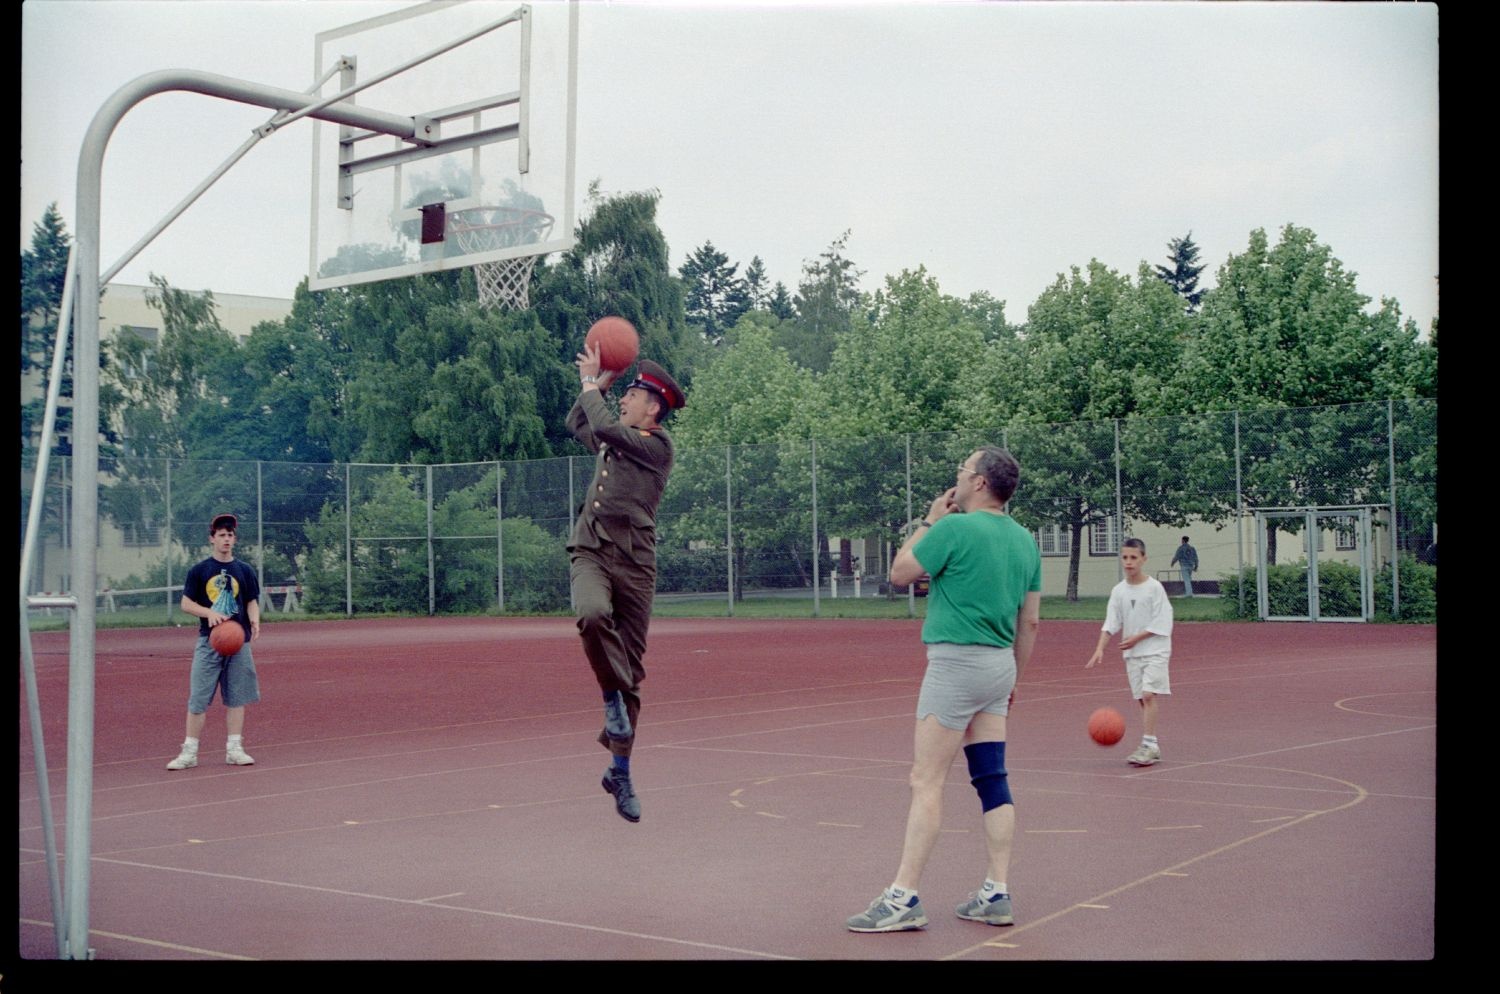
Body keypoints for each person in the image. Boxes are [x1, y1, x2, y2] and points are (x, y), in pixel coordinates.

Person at [846, 447, 1042, 933]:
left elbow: (899, 574)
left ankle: (902, 898)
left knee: (926, 780)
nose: (954, 478)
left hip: (956, 665)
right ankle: (997, 891)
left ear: (978, 483)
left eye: (960, 470)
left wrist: (930, 521)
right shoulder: (1025, 541)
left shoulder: (954, 528)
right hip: (999, 665)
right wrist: (1013, 676)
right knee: (992, 778)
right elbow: (1031, 620)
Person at [567, 342, 685, 823]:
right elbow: (580, 425)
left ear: (652, 407)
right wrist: (598, 387)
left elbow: (603, 426)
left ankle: (620, 769)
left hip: (636, 566)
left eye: (631, 395)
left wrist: (591, 385)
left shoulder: (657, 446)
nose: (623, 401)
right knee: (592, 616)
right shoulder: (614, 433)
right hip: (591, 550)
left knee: (631, 672)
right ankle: (609, 698)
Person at [166, 513, 262, 770]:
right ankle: (189, 752)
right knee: (198, 698)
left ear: (235, 539)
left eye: (230, 535)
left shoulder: (244, 570)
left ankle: (234, 749)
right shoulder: (199, 570)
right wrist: (209, 613)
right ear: (212, 539)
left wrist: (254, 620)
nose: (226, 539)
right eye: (221, 535)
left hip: (238, 642)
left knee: (237, 697)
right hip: (210, 642)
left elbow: (252, 600)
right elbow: (186, 604)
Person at [1086, 538, 1173, 766]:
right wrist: (1099, 648)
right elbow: (1111, 622)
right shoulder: (1119, 591)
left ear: (1143, 559)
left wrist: (1136, 638)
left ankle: (1149, 744)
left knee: (1148, 694)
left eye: (1134, 557)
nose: (1129, 562)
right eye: (1125, 557)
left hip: (1156, 650)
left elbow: (1163, 622)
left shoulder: (1154, 588)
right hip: (1133, 655)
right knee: (1142, 700)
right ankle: (1150, 744)